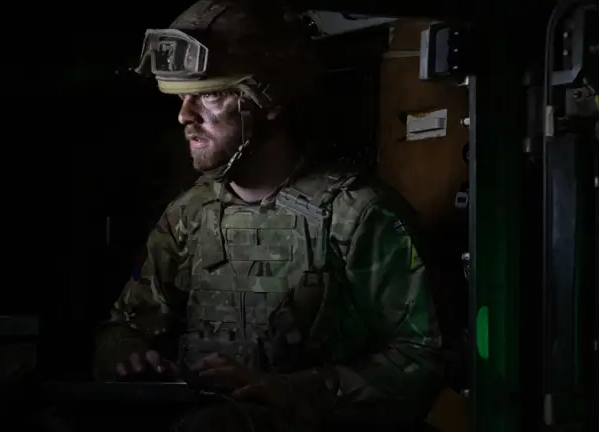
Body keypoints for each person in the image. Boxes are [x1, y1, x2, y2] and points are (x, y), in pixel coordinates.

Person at [93, 1, 443, 430]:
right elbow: (123, 326)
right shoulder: (189, 214)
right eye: (183, 97)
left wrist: (298, 391)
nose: (185, 116)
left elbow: (424, 355)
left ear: (270, 100)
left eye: (211, 94)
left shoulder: (358, 215)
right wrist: (128, 354)